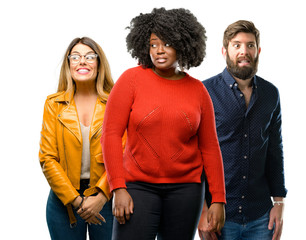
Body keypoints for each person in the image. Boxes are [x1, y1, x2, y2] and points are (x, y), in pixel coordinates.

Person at [101, 8, 226, 240]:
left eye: (167, 43)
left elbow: (210, 148)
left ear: (183, 44)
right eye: (153, 44)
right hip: (138, 187)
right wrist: (117, 187)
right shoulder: (131, 80)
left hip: (186, 192)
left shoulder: (198, 90)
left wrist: (218, 199)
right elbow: (110, 135)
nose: (158, 50)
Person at [198, 20, 287, 240]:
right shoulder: (204, 91)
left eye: (250, 45)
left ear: (258, 50)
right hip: (218, 216)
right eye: (236, 45)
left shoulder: (270, 94)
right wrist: (201, 210)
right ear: (224, 51)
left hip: (261, 215)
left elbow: (275, 151)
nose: (244, 51)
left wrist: (279, 202)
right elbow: (193, 154)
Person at [39, 37, 125, 240]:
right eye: (75, 57)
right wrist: (76, 200)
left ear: (99, 63)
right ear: (69, 64)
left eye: (89, 56)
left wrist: (102, 196)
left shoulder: (116, 102)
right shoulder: (54, 104)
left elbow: (123, 154)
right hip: (63, 201)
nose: (82, 61)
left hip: (106, 200)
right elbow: (47, 158)